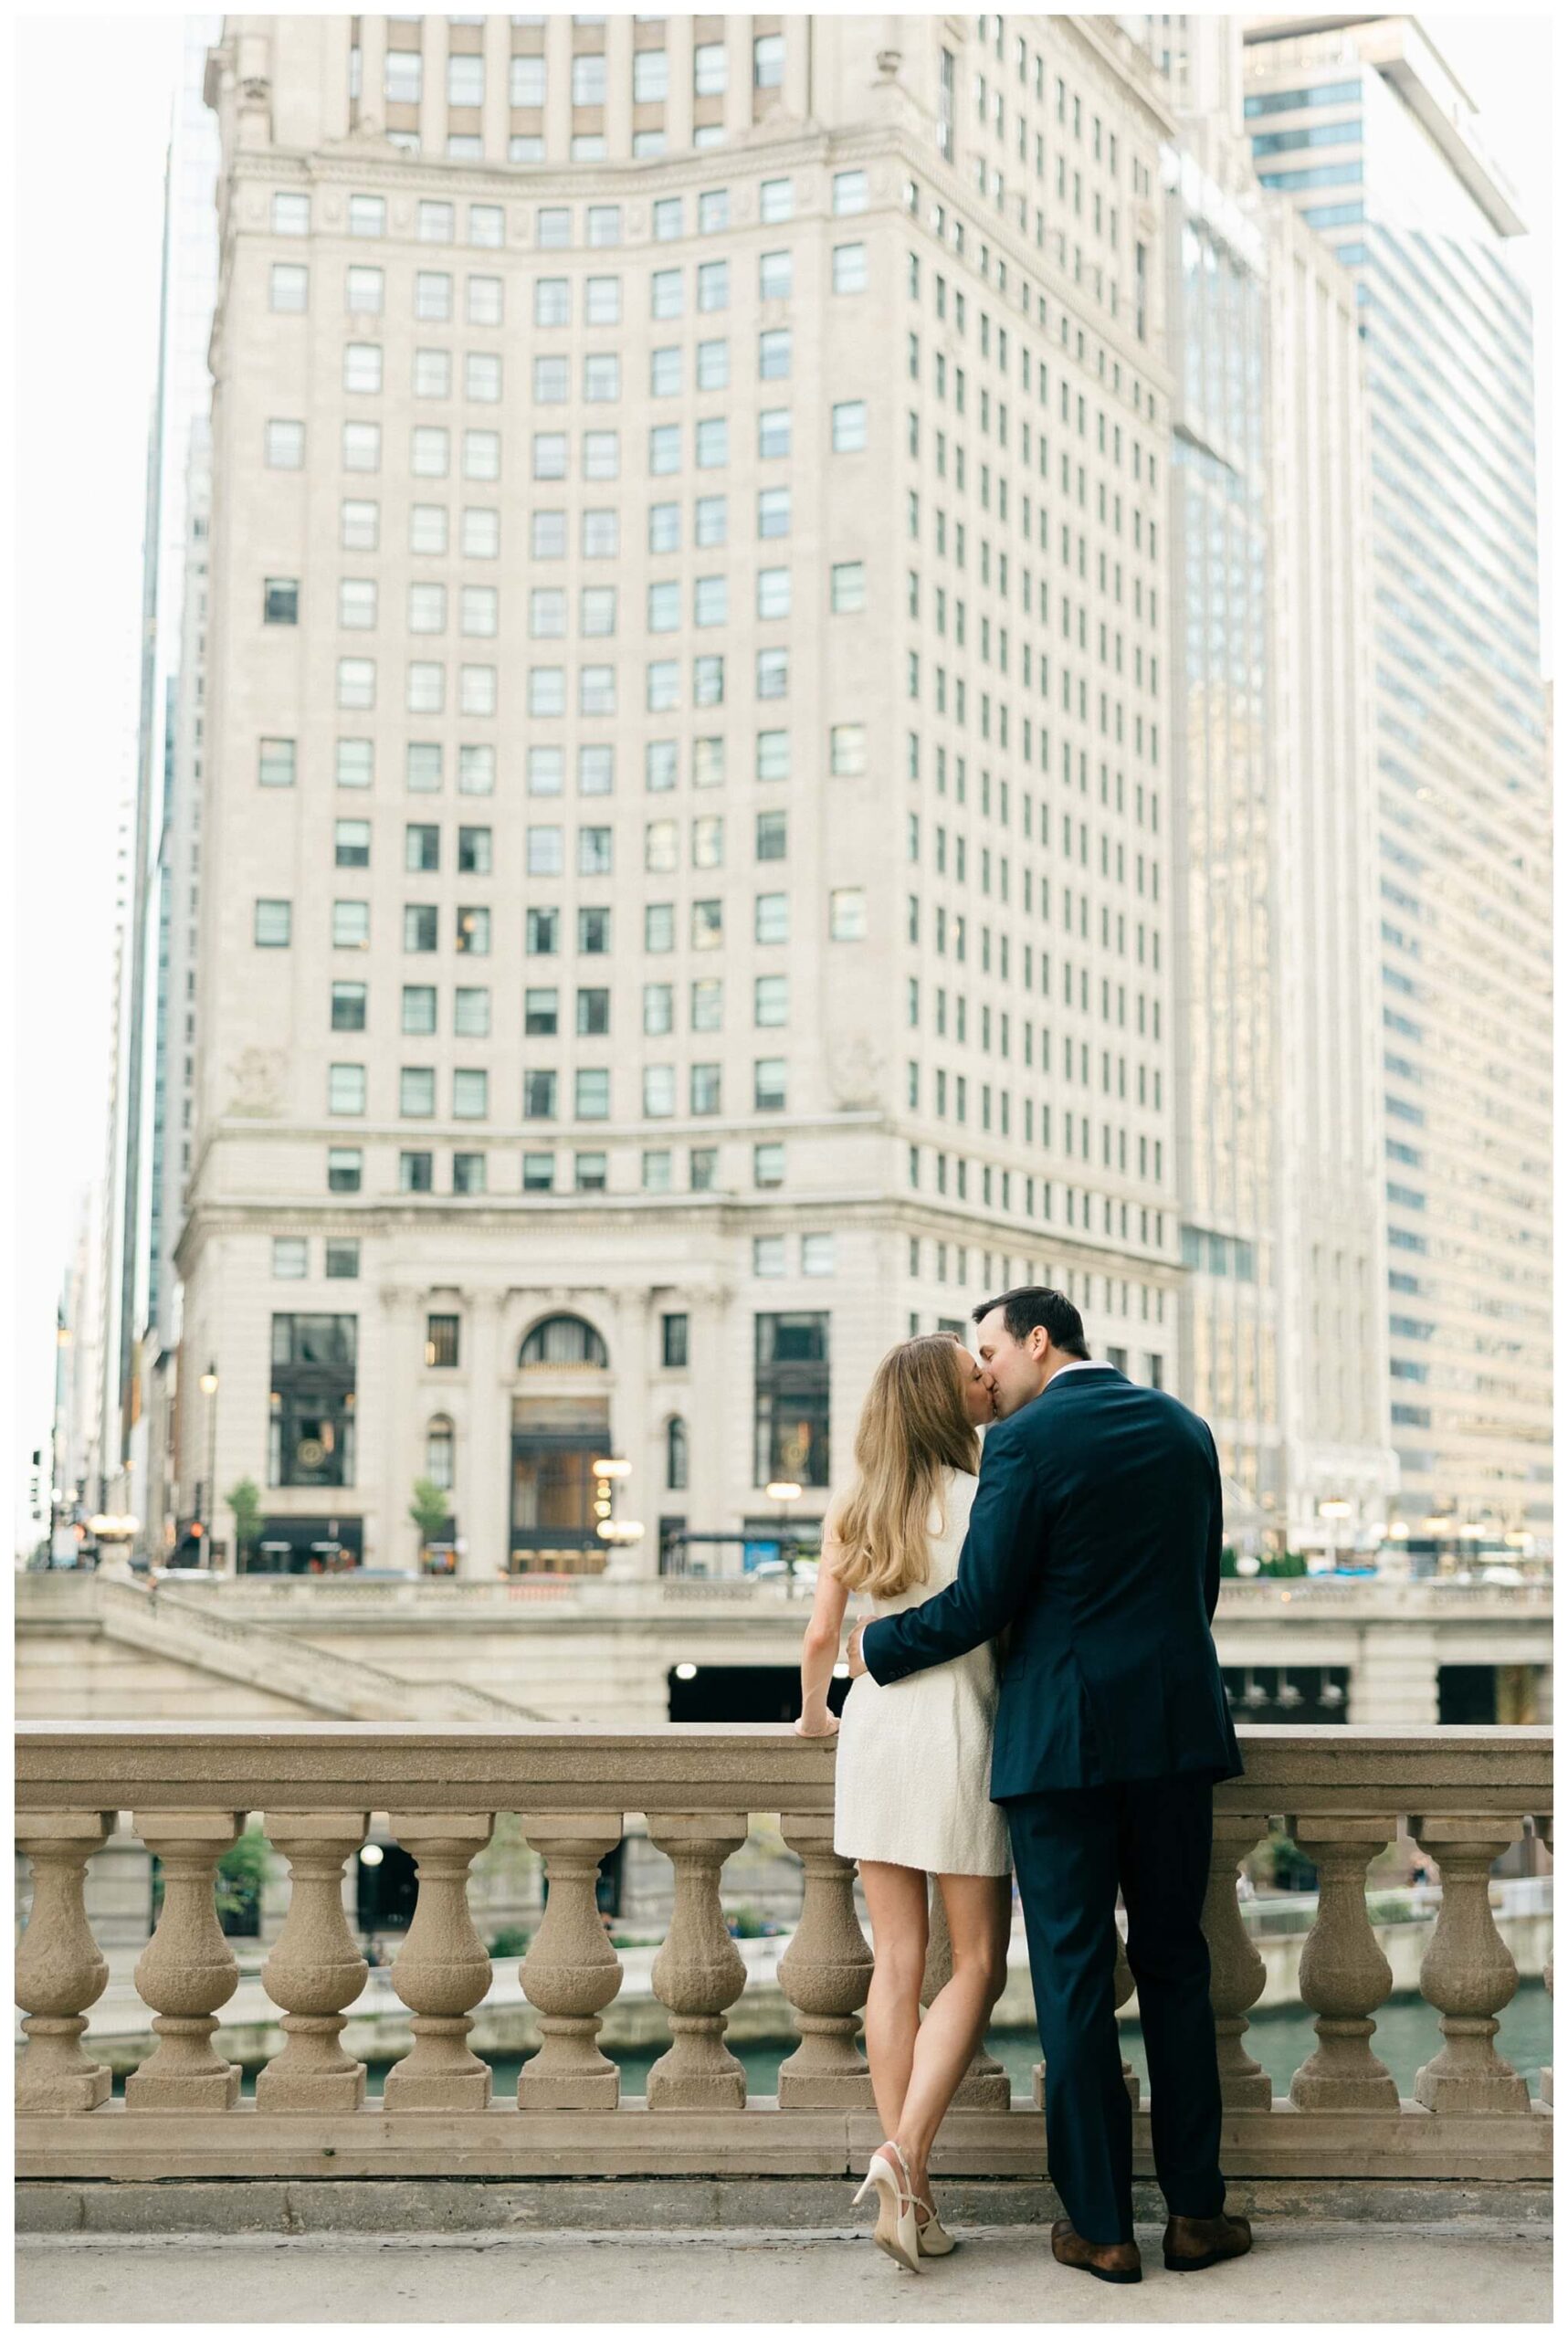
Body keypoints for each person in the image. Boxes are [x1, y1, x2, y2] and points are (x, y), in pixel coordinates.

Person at [847, 1287, 1252, 2286]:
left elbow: (985, 1600)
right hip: (1173, 1728)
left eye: (988, 1349)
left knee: (1073, 1977)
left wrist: (876, 1647)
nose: (982, 1374)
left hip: (1058, 1743)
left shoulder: (1023, 1444)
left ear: (1038, 1341)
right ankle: (1197, 2213)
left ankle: (1101, 2228)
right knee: (1176, 1964)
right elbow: (1201, 1584)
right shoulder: (1182, 1425)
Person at [795, 1332, 1011, 2273]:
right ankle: (905, 2155)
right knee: (977, 1961)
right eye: (971, 1370)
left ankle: (912, 2193)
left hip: (875, 1732)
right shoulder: (984, 1497)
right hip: (960, 1728)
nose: (984, 1379)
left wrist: (814, 1721)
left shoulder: (857, 1506)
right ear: (940, 1399)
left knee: (897, 1963)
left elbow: (818, 1638)